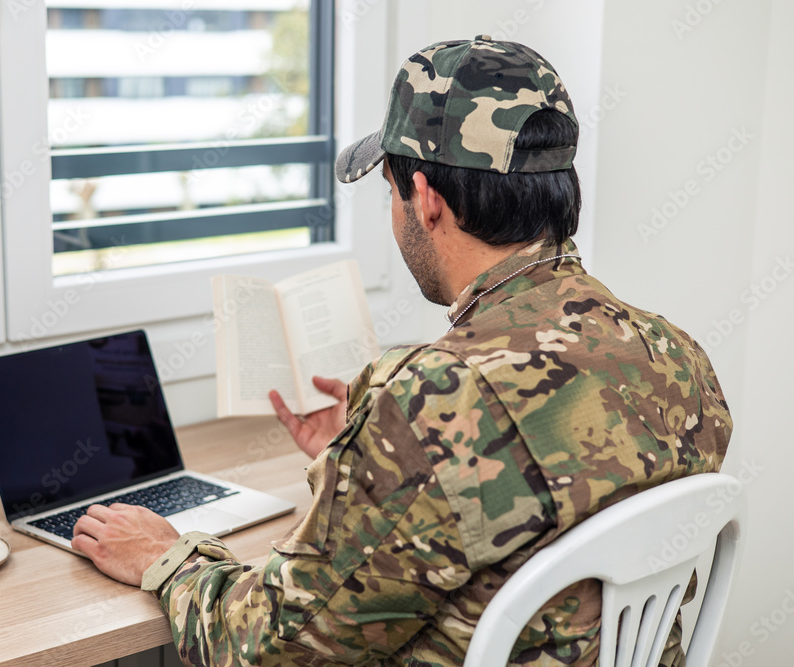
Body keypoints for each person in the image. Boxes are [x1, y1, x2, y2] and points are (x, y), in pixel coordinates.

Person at [72, 36, 731, 665]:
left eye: (389, 189)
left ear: (425, 199)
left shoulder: (432, 401)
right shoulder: (677, 355)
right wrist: (361, 456)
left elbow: (266, 646)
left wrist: (167, 553)